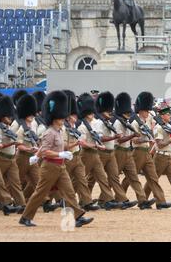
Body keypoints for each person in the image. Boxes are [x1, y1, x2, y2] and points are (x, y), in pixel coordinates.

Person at [19, 91, 94, 227]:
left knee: (69, 192)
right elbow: (46, 150)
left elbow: (60, 146)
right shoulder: (49, 132)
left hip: (60, 166)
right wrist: (56, 155)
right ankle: (25, 217)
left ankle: (77, 217)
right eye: (61, 117)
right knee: (40, 193)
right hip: (49, 167)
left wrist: (70, 148)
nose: (63, 119)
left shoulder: (59, 131)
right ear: (54, 118)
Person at [128, 92, 171, 210]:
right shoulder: (134, 122)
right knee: (130, 178)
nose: (148, 112)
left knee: (153, 177)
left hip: (146, 152)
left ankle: (160, 201)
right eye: (146, 111)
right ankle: (119, 197)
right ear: (141, 111)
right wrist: (144, 138)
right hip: (137, 152)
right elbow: (133, 139)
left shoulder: (147, 121)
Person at [77, 93, 121, 211]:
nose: (92, 114)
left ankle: (109, 200)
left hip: (95, 154)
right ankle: (74, 199)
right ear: (86, 114)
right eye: (90, 113)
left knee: (102, 178)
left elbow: (100, 136)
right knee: (80, 179)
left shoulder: (95, 124)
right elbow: (82, 143)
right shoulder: (82, 127)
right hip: (86, 154)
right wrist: (95, 145)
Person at [113, 92, 152, 209]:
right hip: (119, 151)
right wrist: (133, 136)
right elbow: (120, 140)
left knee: (134, 177)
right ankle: (107, 199)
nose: (128, 114)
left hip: (127, 151)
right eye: (126, 112)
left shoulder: (127, 122)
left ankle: (142, 200)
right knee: (113, 177)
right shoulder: (118, 122)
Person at [62, 91, 99, 211]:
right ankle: (58, 200)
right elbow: (64, 146)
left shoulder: (74, 127)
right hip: (68, 157)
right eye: (74, 115)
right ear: (68, 117)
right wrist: (76, 143)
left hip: (77, 156)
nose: (76, 117)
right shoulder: (64, 128)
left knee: (82, 180)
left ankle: (86, 202)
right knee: (66, 182)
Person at [0, 95, 26, 212]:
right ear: (2, 117)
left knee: (15, 182)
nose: (10, 118)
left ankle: (21, 204)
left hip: (12, 159)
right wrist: (13, 143)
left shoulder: (8, 128)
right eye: (8, 116)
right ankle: (4, 203)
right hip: (1, 158)